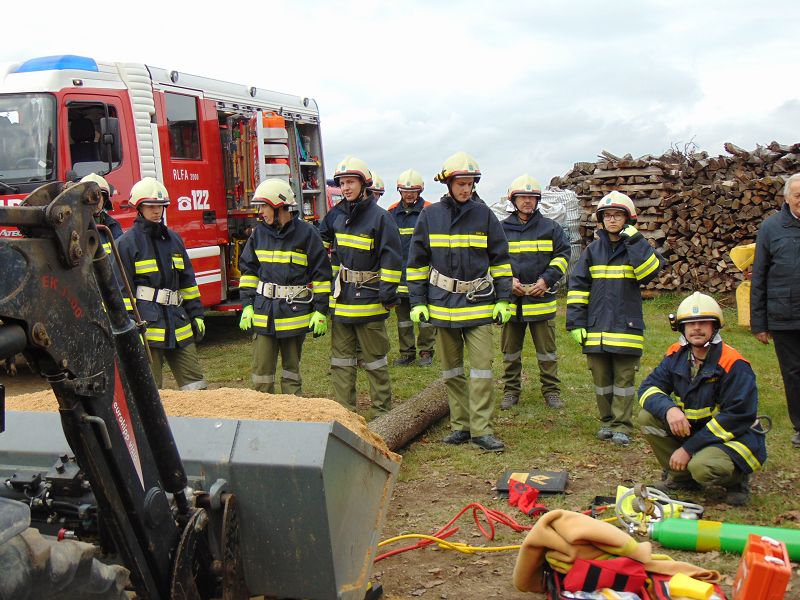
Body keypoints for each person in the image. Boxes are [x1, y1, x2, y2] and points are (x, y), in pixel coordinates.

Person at [406, 151, 513, 451]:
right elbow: (415, 263)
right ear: (448, 183)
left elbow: (501, 261)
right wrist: (417, 302)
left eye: (470, 183)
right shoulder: (430, 216)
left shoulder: (485, 215)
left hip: (478, 304)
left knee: (481, 370)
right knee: (451, 372)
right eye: (461, 183)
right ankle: (460, 426)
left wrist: (503, 299)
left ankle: (482, 430)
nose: (466, 189)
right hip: (441, 304)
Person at [638, 292, 767, 505]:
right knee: (647, 417)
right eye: (690, 323)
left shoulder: (733, 364)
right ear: (682, 328)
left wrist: (688, 449)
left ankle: (736, 480)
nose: (696, 327)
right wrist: (669, 409)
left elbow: (736, 417)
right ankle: (682, 479)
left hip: (733, 438)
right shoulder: (676, 356)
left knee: (702, 467)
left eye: (703, 322)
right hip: (699, 431)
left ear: (714, 327)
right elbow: (647, 388)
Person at [566, 191, 664, 446]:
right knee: (601, 380)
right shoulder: (592, 252)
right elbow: (577, 287)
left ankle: (622, 425)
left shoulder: (637, 248)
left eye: (618, 216)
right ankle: (607, 421)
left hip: (625, 326)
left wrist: (635, 241)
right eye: (607, 215)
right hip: (596, 328)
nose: (612, 220)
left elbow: (649, 273)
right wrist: (576, 323)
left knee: (623, 379)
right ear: (601, 219)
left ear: (628, 219)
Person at [238, 179, 332, 394]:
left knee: (291, 374)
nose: (260, 212)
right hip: (263, 314)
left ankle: (294, 421)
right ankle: (263, 422)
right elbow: (249, 271)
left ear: (279, 206)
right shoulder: (259, 234)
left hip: (294, 314)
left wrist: (320, 311)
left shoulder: (307, 234)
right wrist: (247, 306)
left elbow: (321, 275)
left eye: (263, 206)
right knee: (262, 377)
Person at [328, 156, 402, 415]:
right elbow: (329, 251)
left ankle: (382, 412)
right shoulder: (337, 216)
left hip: (371, 300)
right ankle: (344, 412)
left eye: (350, 182)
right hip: (343, 301)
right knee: (341, 361)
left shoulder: (381, 218)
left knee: (375, 361)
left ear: (363, 184)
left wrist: (387, 295)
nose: (346, 187)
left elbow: (392, 259)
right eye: (342, 183)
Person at [117, 177, 207, 390]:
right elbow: (123, 290)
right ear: (139, 207)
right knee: (148, 392)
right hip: (147, 328)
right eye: (151, 206)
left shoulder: (175, 240)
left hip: (179, 323)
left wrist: (196, 314)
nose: (157, 211)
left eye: (161, 206)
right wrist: (130, 328)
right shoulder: (126, 244)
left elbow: (187, 282)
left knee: (197, 387)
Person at [501, 175, 570, 410]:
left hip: (541, 301)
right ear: (514, 200)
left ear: (538, 200)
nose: (527, 201)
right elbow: (492, 260)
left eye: (532, 197)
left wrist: (546, 280)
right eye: (523, 197)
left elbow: (563, 256)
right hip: (512, 302)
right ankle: (511, 391)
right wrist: (508, 281)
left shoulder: (550, 228)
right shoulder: (501, 229)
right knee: (510, 353)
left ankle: (551, 391)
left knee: (547, 353)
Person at [751, 172, 800, 448]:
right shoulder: (771, 228)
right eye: (798, 195)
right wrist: (759, 323)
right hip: (784, 315)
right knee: (793, 373)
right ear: (787, 198)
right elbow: (759, 277)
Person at [387, 169, 436, 367]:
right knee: (403, 320)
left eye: (413, 191)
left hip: (424, 274)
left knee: (425, 317)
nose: (409, 194)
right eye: (405, 190)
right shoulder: (391, 212)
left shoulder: (430, 211)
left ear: (420, 190)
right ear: (399, 191)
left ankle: (426, 351)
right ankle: (407, 353)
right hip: (400, 275)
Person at [80, 173, 122, 252]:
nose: (95, 201)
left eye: (99, 196)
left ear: (105, 199)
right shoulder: (77, 228)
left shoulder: (114, 225)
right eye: (91, 196)